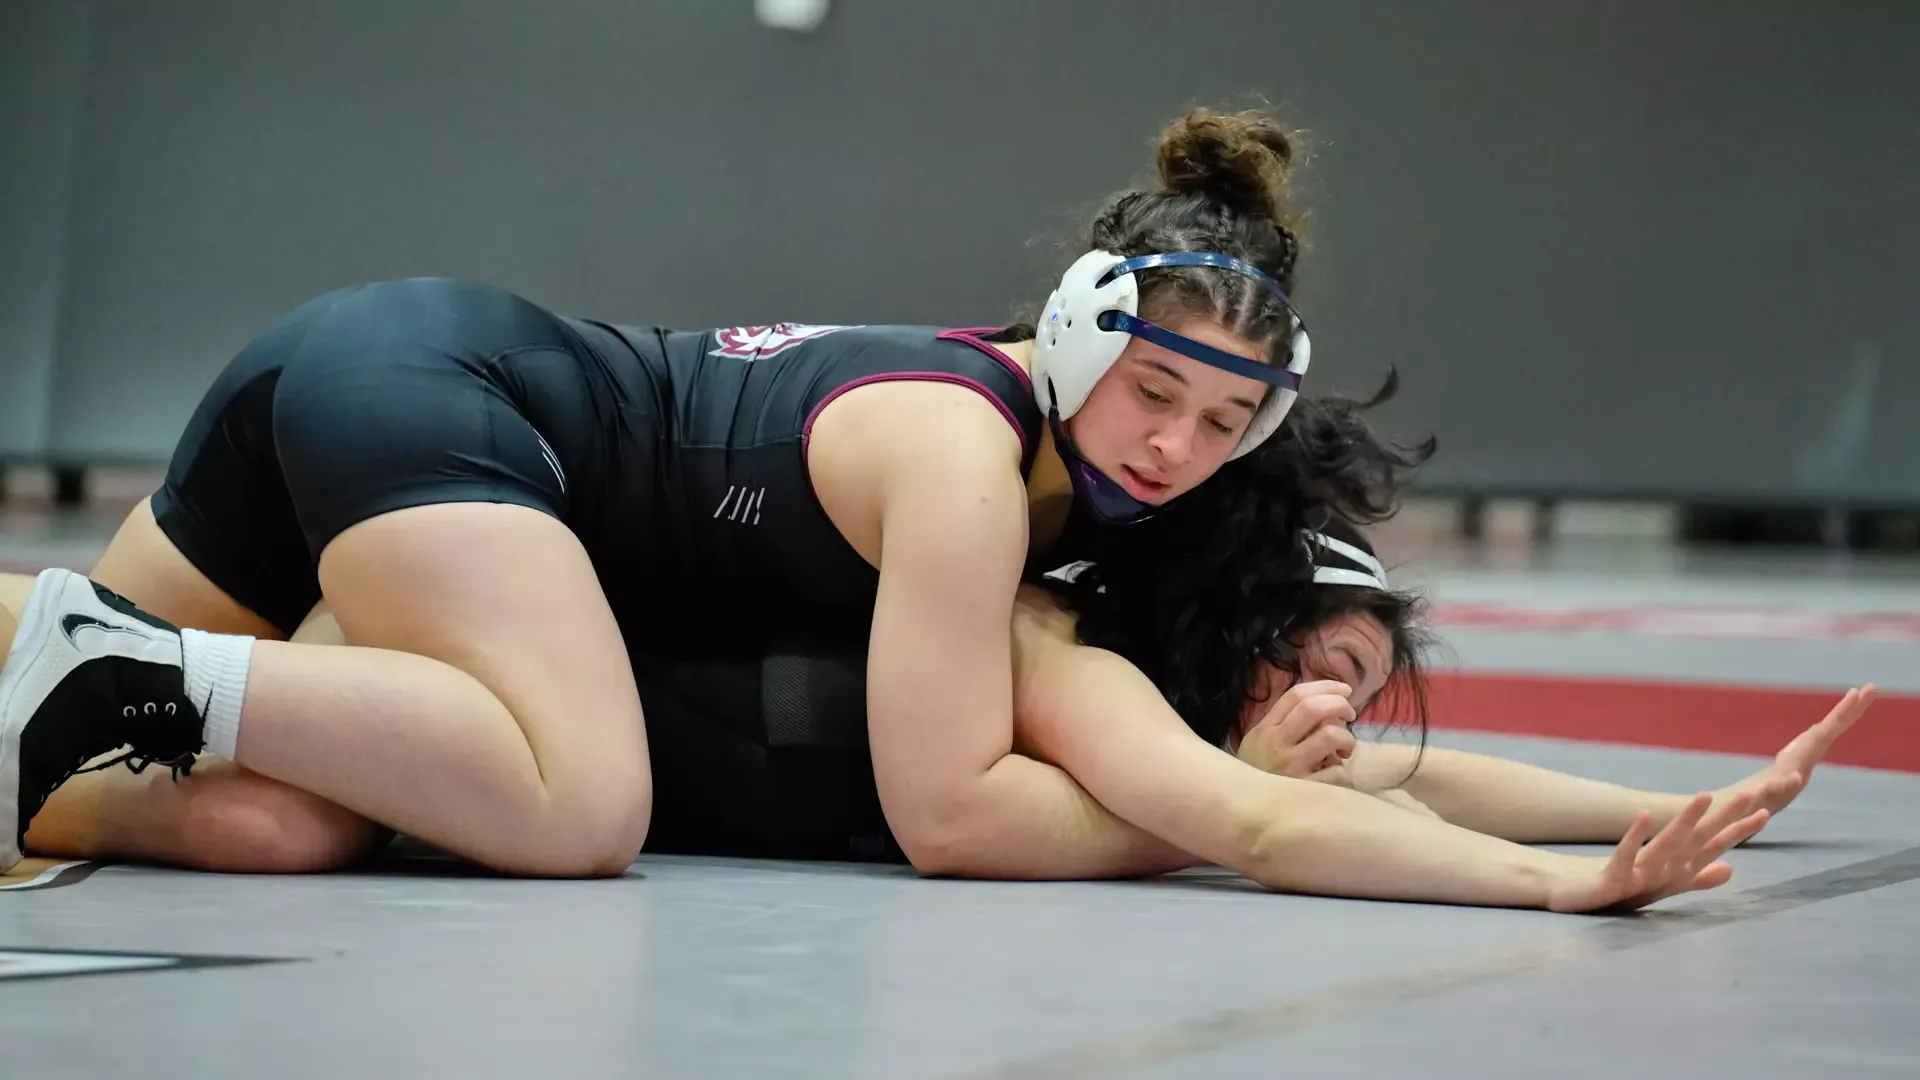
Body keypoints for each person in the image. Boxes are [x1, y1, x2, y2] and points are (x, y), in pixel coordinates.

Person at [0, 105, 1318, 877]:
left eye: (1223, 421)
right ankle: (101, 656)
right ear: (1079, 332)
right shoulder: (964, 464)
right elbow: (952, 811)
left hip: (379, 387)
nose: (1174, 448)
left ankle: (79, 665)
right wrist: (1205, 809)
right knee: (581, 804)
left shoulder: (993, 430)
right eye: (1153, 393)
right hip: (448, 408)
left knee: (279, 821)